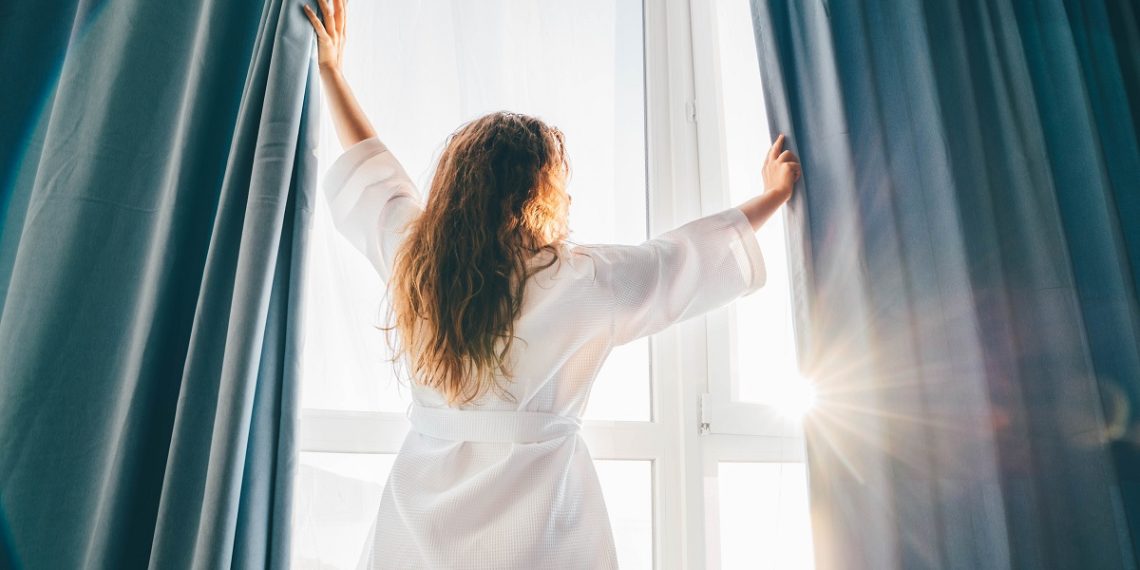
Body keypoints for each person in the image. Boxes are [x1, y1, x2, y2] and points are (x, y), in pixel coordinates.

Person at [303, 1, 802, 568]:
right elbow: (680, 258)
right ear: (536, 195)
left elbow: (376, 173)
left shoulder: (415, 262)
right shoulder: (579, 281)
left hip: (419, 521)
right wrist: (773, 196)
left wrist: (332, 73)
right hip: (537, 523)